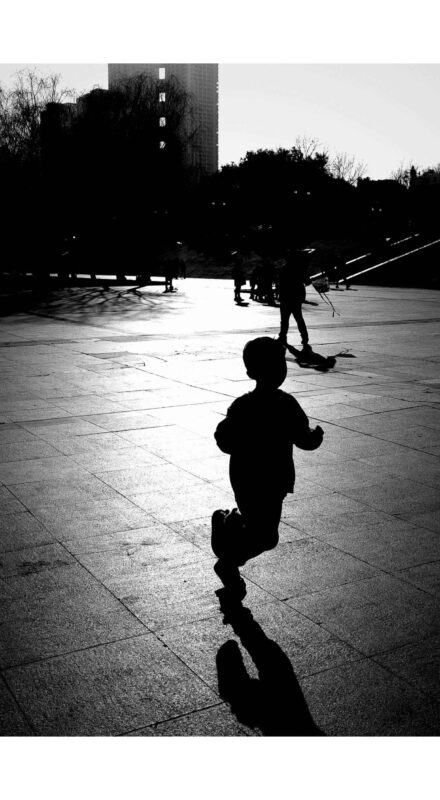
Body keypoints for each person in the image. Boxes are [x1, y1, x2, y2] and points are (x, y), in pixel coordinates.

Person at [211, 337, 324, 602]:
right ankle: (228, 541)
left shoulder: (242, 405)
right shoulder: (286, 404)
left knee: (262, 532)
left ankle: (231, 539)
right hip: (270, 479)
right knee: (266, 536)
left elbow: (224, 440)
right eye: (277, 365)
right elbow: (304, 439)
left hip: (248, 478)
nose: (280, 370)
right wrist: (315, 437)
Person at [277, 247, 311, 350]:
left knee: (284, 320)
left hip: (285, 297)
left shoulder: (283, 269)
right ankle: (305, 338)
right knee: (299, 318)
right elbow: (308, 282)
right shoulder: (300, 269)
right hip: (296, 297)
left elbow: (279, 284)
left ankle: (282, 337)